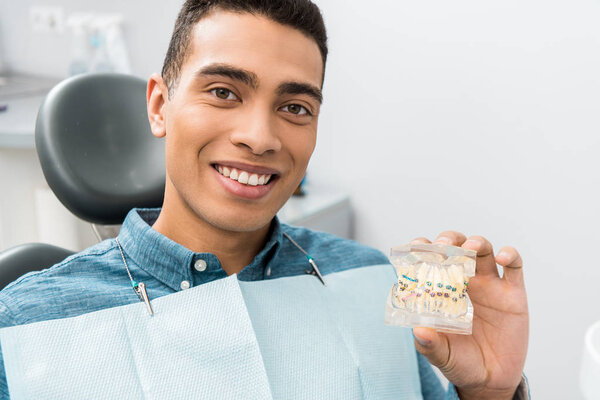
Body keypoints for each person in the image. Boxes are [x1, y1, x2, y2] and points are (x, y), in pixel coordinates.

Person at [0, 0, 529, 398]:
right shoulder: (21, 325)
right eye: (224, 92)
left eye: (295, 106)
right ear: (160, 106)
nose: (261, 136)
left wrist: (490, 394)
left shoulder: (371, 278)